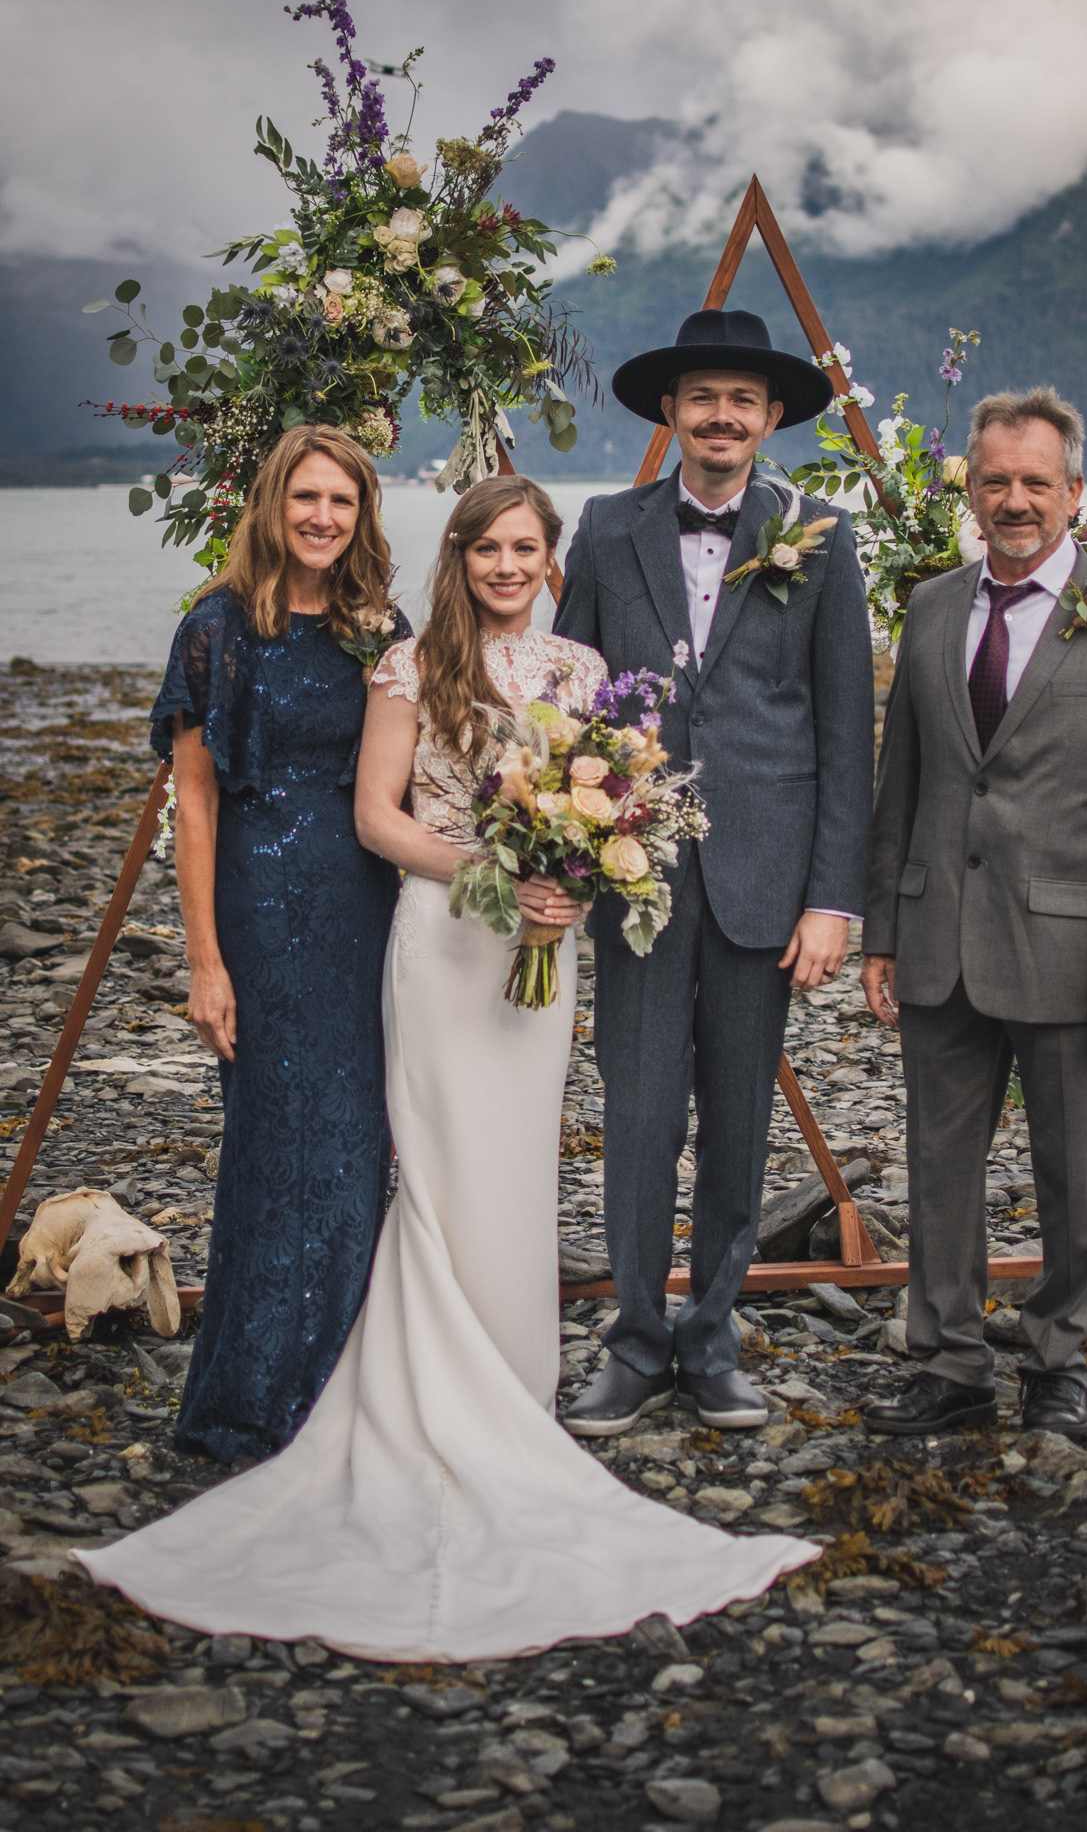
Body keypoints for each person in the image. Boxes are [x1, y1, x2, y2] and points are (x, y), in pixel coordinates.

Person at [77, 474, 815, 1656]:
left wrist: (576, 874)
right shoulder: (407, 664)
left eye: (525, 548)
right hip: (440, 938)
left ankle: (514, 1385)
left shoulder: (579, 670)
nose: (506, 566)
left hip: (535, 954)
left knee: (516, 1166)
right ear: (459, 556)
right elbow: (375, 814)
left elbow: (618, 807)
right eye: (486, 548)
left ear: (547, 558)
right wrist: (489, 865)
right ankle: (420, 1385)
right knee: (435, 1162)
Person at [554, 309, 875, 1438]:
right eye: (703, 397)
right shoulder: (606, 527)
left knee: (737, 1120)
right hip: (633, 872)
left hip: (764, 881)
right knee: (639, 1114)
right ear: (671, 410)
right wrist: (568, 845)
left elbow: (844, 729)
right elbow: (569, 698)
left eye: (742, 398)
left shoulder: (820, 537)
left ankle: (712, 1334)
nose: (722, 415)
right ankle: (635, 1340)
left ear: (771, 415)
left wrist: (832, 898)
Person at [859, 387, 1087, 1439]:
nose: (1014, 500)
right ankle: (949, 1363)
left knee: (1073, 1172)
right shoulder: (929, 609)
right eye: (995, 480)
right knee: (937, 1166)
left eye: (1035, 483)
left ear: (1074, 492)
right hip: (936, 940)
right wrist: (883, 930)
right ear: (969, 488)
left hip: (1069, 951)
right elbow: (902, 784)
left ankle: (1057, 1361)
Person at [149, 426, 411, 1465]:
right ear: (272, 504)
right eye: (306, 496)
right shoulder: (217, 626)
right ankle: (252, 1394)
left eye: (342, 501)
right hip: (259, 904)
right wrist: (205, 961)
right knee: (268, 1139)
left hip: (363, 901)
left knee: (357, 1141)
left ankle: (344, 1383)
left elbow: (423, 759)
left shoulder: (378, 627)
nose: (322, 516)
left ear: (362, 515)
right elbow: (195, 804)